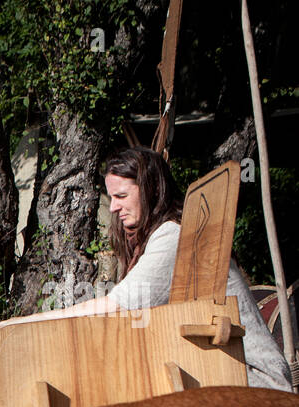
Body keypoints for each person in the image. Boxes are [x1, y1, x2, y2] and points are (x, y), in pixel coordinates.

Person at [33, 146, 291, 391]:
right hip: (216, 369)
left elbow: (117, 305)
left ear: (151, 190)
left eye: (121, 196)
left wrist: (30, 323)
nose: (113, 207)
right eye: (111, 198)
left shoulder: (174, 236)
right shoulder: (160, 235)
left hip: (254, 380)